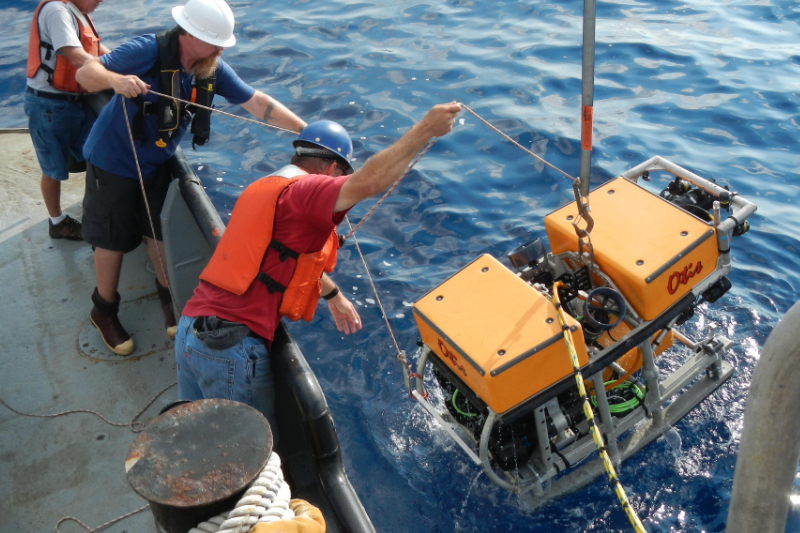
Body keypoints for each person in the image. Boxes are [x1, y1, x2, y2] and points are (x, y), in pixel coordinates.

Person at [174, 103, 461, 432]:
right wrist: (426, 128)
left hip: (191, 329)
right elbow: (368, 184)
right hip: (229, 347)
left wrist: (333, 294)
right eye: (343, 175)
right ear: (332, 168)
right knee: (244, 455)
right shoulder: (306, 191)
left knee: (195, 437)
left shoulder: (267, 186)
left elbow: (279, 256)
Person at [74, 0, 306, 356]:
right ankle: (103, 308)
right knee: (111, 239)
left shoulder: (209, 67)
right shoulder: (146, 49)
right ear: (189, 35)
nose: (221, 49)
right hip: (112, 160)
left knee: (156, 231)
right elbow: (85, 75)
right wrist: (116, 81)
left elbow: (258, 103)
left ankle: (168, 295)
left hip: (155, 162)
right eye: (216, 42)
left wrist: (305, 132)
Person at [25, 0, 111, 240]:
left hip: (75, 102)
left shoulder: (79, 13)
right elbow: (76, 57)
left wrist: (129, 67)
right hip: (48, 106)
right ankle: (58, 223)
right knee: (53, 168)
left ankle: (101, 211)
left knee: (98, 154)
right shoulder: (57, 11)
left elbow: (97, 51)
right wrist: (115, 81)